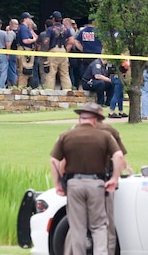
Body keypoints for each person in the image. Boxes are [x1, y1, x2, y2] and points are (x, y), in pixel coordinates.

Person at [50, 102, 125, 255]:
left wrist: (58, 183)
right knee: (99, 226)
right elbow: (118, 156)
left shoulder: (66, 135)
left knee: (78, 227)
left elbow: (54, 161)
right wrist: (115, 178)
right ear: (95, 119)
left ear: (80, 119)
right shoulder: (105, 135)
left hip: (74, 184)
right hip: (96, 183)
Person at [91, 102, 128, 255]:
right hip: (104, 180)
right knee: (107, 222)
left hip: (78, 181)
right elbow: (119, 155)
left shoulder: (74, 131)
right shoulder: (110, 131)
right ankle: (109, 251)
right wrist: (117, 175)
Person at [43, 11, 71, 90]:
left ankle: (49, 91)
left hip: (53, 50)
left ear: (54, 19)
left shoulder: (50, 29)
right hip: (63, 50)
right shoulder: (66, 29)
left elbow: (46, 41)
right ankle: (68, 90)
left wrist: (44, 41)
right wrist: (66, 48)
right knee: (65, 73)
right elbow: (71, 41)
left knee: (51, 73)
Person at [15, 12, 38, 88]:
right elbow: (25, 40)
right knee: (25, 71)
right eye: (30, 18)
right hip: (25, 51)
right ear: (25, 19)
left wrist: (31, 29)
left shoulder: (22, 27)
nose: (31, 20)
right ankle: (21, 89)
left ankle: (17, 87)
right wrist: (33, 40)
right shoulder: (24, 28)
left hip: (22, 50)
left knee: (22, 71)